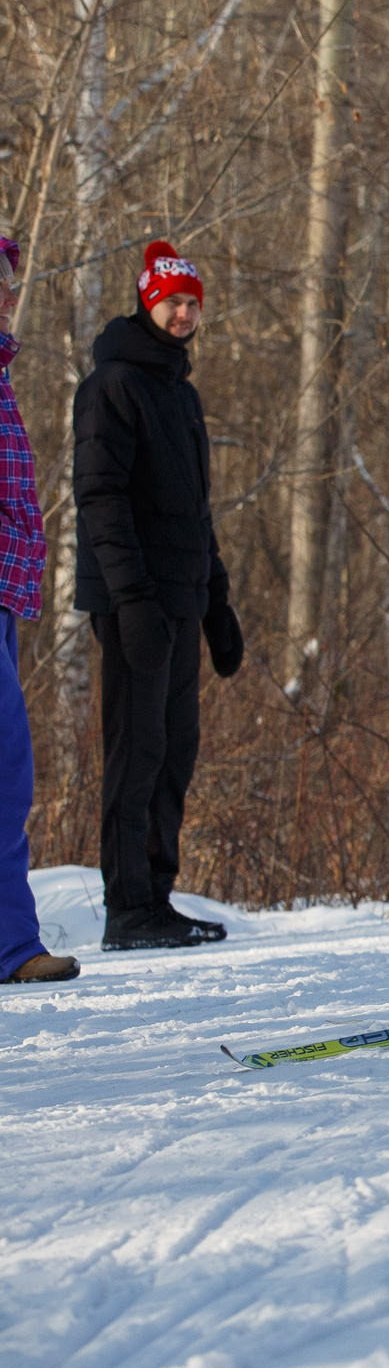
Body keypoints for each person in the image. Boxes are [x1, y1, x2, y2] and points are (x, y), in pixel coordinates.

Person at [73, 240, 241, 953]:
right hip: (133, 600)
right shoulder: (112, 384)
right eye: (172, 301)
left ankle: (156, 897)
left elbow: (194, 512)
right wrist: (131, 597)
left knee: (174, 748)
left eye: (192, 303)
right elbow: (101, 497)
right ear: (148, 301)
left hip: (178, 596)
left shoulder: (182, 391)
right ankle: (126, 906)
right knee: (135, 749)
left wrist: (217, 602)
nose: (182, 313)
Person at [0, 238, 72, 984]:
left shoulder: (2, 374)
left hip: (5, 592)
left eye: (13, 283)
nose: (8, 294)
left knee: (6, 766)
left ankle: (11, 944)